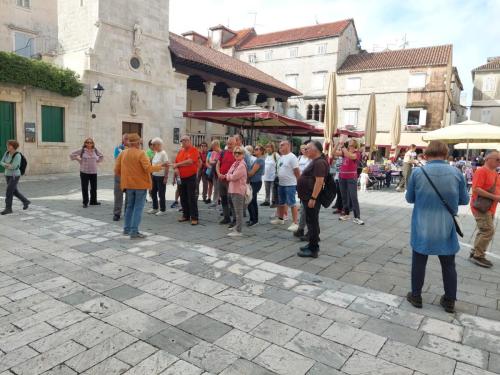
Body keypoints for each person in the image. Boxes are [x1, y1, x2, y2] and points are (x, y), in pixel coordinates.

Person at [405, 141, 469, 313]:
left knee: (419, 262)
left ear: (426, 154)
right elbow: (464, 200)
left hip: (422, 226)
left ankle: (416, 296)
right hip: (445, 228)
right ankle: (449, 301)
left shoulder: (418, 173)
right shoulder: (457, 173)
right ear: (446, 154)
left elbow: (409, 198)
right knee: (449, 265)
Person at [114, 133, 164, 239]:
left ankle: (126, 229)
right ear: (137, 142)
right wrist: (160, 166)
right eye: (140, 141)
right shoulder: (141, 153)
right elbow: (148, 168)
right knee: (137, 208)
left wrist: (125, 177)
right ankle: (134, 231)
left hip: (128, 185)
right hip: (140, 185)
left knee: (129, 207)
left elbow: (116, 170)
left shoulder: (123, 153)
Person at [297, 141, 329, 258]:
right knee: (311, 222)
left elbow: (319, 181)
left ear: (315, 150)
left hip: (312, 197)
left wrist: (313, 198)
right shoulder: (316, 161)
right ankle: (311, 244)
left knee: (312, 223)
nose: (305, 150)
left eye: (308, 148)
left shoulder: (319, 162)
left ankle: (313, 249)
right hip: (308, 196)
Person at [469, 150, 500, 268]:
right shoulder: (482, 171)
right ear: (487, 159)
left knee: (484, 230)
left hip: (489, 207)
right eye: (497, 159)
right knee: (488, 230)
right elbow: (476, 189)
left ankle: (475, 251)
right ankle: (478, 255)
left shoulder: (495, 173)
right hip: (481, 207)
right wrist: (495, 197)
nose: (499, 162)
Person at [271, 140, 300, 231]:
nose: (280, 147)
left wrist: (299, 183)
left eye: (282, 145)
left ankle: (295, 222)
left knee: (291, 203)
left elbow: (297, 171)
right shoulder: (282, 157)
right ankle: (280, 219)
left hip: (290, 184)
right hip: (281, 183)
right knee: (281, 202)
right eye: (279, 146)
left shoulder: (292, 157)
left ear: (288, 146)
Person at [172, 136, 200, 225]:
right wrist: (176, 169)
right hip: (180, 177)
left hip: (190, 177)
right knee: (183, 196)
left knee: (191, 197)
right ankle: (185, 215)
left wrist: (178, 164)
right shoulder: (180, 151)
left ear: (189, 141)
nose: (183, 143)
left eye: (184, 141)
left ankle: (194, 217)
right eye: (182, 141)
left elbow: (190, 161)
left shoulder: (194, 150)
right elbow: (175, 164)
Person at [220, 145, 247, 237]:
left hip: (238, 191)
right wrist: (228, 175)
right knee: (234, 210)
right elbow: (229, 173)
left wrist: (227, 176)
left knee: (238, 211)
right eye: (235, 152)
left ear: (243, 154)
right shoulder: (235, 163)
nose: (236, 154)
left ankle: (239, 230)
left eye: (239, 153)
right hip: (232, 189)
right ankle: (236, 226)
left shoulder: (242, 165)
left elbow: (234, 176)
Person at [336, 139, 364, 225]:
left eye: (351, 143)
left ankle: (357, 217)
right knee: (344, 197)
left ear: (355, 145)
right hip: (342, 177)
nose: (349, 143)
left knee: (353, 197)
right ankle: (346, 214)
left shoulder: (357, 153)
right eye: (349, 143)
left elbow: (350, 156)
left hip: (351, 178)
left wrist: (343, 146)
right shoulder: (345, 151)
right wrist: (336, 144)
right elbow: (333, 153)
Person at [69, 137, 103, 208]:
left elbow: (101, 156)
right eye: (87, 142)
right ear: (85, 143)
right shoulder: (82, 150)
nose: (89, 144)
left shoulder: (95, 150)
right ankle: (85, 202)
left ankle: (93, 201)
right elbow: (72, 155)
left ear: (93, 144)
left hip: (93, 172)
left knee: (94, 187)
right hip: (84, 172)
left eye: (90, 142)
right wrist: (78, 159)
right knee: (85, 187)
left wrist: (97, 161)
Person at [1, 140, 30, 215]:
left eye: (9, 145)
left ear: (13, 146)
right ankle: (25, 201)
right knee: (14, 191)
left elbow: (14, 166)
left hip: (15, 175)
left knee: (9, 191)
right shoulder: (6, 153)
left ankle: (8, 208)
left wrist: (6, 164)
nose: (7, 146)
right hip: (7, 174)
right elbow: (1, 162)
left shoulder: (17, 155)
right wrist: (7, 165)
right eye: (7, 145)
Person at [216, 137, 236, 224]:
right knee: (223, 199)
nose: (229, 145)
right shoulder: (223, 152)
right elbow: (218, 164)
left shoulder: (237, 154)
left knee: (231, 200)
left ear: (235, 144)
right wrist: (218, 173)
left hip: (231, 181)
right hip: (221, 179)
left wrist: (228, 176)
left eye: (231, 144)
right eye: (228, 144)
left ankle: (235, 220)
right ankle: (226, 217)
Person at [294, 141, 312, 238]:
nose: (305, 150)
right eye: (303, 149)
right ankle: (301, 229)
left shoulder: (314, 160)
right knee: (304, 209)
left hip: (310, 188)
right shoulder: (300, 158)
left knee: (309, 211)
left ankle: (309, 232)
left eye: (307, 149)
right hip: (303, 184)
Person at [148, 137, 169, 216]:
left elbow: (167, 165)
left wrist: (166, 177)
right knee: (153, 192)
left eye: (154, 145)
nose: (152, 146)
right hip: (154, 175)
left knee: (161, 193)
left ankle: (163, 209)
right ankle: (155, 207)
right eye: (152, 145)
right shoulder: (156, 152)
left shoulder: (163, 153)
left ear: (158, 145)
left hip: (161, 176)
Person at [247, 145, 265, 226]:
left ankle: (254, 220)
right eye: (255, 149)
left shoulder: (260, 160)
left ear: (261, 151)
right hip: (254, 182)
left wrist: (243, 172)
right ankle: (252, 219)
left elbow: (251, 173)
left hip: (256, 182)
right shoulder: (258, 159)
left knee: (251, 200)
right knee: (252, 201)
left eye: (257, 149)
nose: (255, 150)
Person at [113, 134, 129, 221]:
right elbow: (117, 159)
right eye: (125, 139)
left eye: (128, 139)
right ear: (123, 140)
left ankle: (127, 213)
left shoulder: (134, 149)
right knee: (118, 195)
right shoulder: (118, 148)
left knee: (129, 196)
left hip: (129, 176)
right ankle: (116, 213)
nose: (127, 140)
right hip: (119, 175)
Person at [207, 140, 221, 207]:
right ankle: (215, 201)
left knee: (219, 187)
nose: (212, 147)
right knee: (215, 187)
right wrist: (216, 161)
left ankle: (218, 200)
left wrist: (215, 161)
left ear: (216, 145)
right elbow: (210, 161)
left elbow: (220, 162)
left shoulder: (221, 152)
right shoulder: (213, 152)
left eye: (213, 146)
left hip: (220, 172)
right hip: (214, 172)